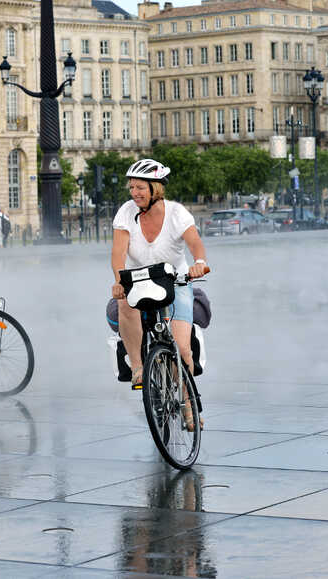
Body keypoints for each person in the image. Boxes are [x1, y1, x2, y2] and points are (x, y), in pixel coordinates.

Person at [110, 159, 208, 428]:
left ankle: (189, 405)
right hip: (138, 280)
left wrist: (198, 262)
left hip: (175, 281)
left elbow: (195, 242)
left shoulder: (177, 213)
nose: (135, 193)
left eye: (141, 187)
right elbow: (118, 252)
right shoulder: (126, 213)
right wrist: (119, 280)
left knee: (182, 349)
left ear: (156, 189)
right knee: (125, 306)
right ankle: (139, 367)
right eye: (132, 187)